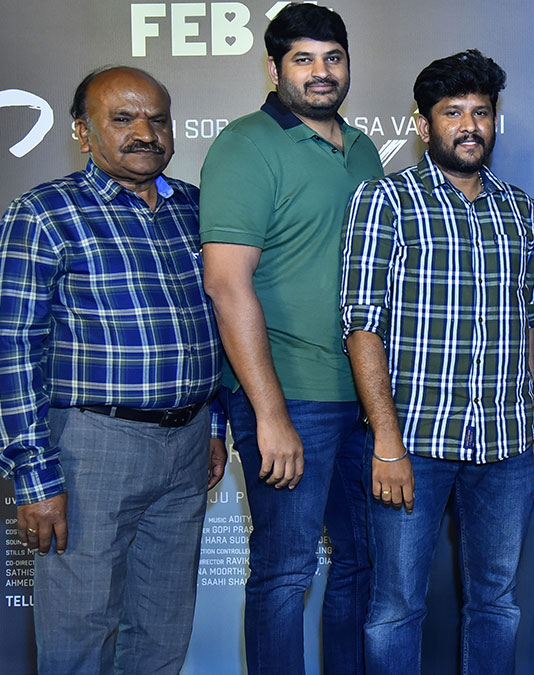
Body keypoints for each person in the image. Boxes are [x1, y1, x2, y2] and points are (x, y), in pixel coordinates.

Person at [0, 66, 226, 674]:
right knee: (80, 631)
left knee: (162, 630)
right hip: (91, 447)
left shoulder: (197, 209)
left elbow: (220, 320)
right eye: (122, 119)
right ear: (82, 131)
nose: (145, 132)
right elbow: (13, 347)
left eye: (157, 119)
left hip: (189, 444)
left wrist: (216, 424)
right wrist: (34, 476)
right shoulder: (44, 213)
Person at [341, 49, 534, 675]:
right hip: (414, 440)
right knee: (396, 607)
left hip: (506, 444)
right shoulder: (385, 199)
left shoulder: (520, 209)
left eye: (480, 113)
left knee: (497, 604)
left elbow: (530, 322)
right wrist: (386, 441)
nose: (469, 126)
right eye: (452, 112)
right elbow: (361, 326)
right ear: (423, 124)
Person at [198, 3, 382, 673]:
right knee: (285, 570)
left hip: (365, 397)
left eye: (333, 57)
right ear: (274, 69)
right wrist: (270, 415)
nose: (321, 71)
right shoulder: (246, 145)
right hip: (289, 396)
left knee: (363, 562)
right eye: (303, 59)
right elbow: (226, 285)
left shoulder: (362, 149)